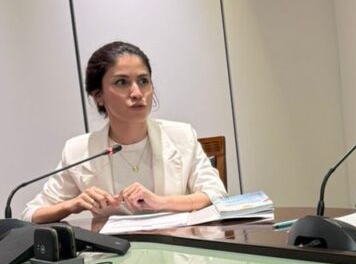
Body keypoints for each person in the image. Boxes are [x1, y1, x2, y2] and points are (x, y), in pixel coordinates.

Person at [21, 41, 227, 223]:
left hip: (179, 249)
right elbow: (30, 214)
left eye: (143, 81)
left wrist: (160, 202)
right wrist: (72, 205)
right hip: (113, 253)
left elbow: (216, 193)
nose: (137, 93)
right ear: (98, 96)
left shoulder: (181, 136)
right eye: (122, 82)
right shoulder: (79, 151)